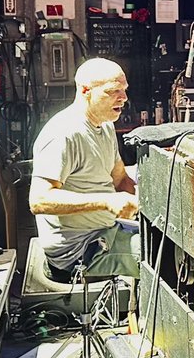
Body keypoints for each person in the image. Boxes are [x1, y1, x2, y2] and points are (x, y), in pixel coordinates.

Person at [28, 58, 140, 279]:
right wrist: (107, 201)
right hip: (80, 251)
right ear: (86, 90)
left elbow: (120, 180)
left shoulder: (106, 125)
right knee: (166, 259)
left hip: (107, 231)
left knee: (171, 240)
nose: (124, 98)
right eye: (113, 91)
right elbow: (39, 200)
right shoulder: (64, 133)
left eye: (124, 90)